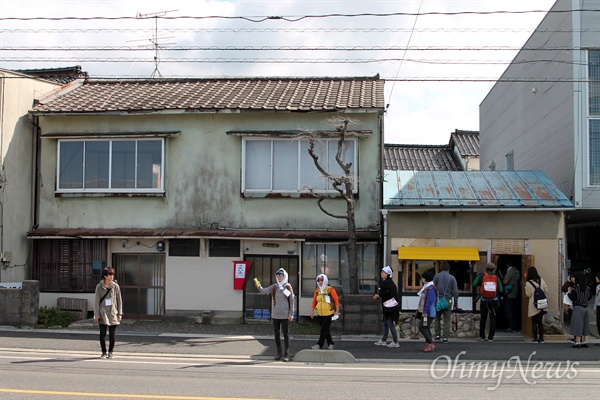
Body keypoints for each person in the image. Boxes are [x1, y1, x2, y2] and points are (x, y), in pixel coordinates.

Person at [254, 268, 295, 361]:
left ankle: (287, 354)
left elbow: (292, 301)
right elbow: (264, 291)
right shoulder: (274, 287)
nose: (279, 277)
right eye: (278, 275)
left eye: (281, 275)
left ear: (285, 276)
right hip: (275, 314)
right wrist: (258, 286)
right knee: (276, 334)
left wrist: (291, 313)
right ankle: (279, 353)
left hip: (285, 314)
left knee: (286, 334)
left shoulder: (288, 286)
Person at [94, 266, 123, 359]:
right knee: (102, 333)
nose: (112, 276)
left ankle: (111, 351)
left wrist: (120, 313)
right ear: (105, 276)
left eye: (113, 274)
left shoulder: (115, 286)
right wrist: (96, 315)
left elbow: (119, 300)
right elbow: (96, 301)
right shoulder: (99, 287)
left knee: (112, 334)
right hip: (103, 312)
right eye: (110, 274)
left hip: (112, 312)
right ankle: (103, 352)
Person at [472, 263, 503, 342]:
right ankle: (491, 337)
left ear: (486, 269)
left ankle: (482, 336)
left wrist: (481, 285)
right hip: (494, 300)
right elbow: (500, 290)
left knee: (483, 318)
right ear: (493, 269)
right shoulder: (496, 277)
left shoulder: (481, 276)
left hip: (484, 300)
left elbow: (474, 284)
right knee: (493, 318)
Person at [309, 274, 340, 350]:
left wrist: (337, 310)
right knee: (326, 329)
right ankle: (331, 343)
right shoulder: (317, 291)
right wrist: (312, 311)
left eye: (322, 280)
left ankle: (319, 344)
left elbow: (336, 300)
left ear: (325, 280)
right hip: (320, 313)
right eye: (318, 280)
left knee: (324, 329)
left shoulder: (330, 290)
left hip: (328, 313)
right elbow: (314, 301)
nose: (320, 282)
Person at [373, 266, 400, 348]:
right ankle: (384, 340)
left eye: (383, 272)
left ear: (387, 274)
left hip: (389, 307)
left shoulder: (386, 283)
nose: (381, 274)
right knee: (385, 323)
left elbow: (382, 293)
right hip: (391, 306)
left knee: (389, 323)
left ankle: (395, 341)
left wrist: (377, 296)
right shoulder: (390, 282)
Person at [433, 261, 459, 343]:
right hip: (448, 300)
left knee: (437, 318)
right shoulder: (452, 278)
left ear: (440, 268)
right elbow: (455, 291)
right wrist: (456, 302)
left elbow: (433, 288)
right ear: (448, 268)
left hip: (438, 300)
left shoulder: (436, 276)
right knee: (447, 319)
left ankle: (437, 335)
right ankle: (445, 337)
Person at [524, 266, 549, 344]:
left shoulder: (528, 283)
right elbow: (546, 290)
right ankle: (541, 338)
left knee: (534, 322)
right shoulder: (541, 280)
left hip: (533, 304)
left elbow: (528, 294)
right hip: (541, 304)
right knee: (540, 322)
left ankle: (535, 338)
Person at [567, 271, 592, 348]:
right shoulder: (587, 288)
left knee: (578, 324)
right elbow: (589, 297)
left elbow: (573, 298)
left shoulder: (575, 288)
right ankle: (586, 341)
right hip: (586, 307)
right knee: (585, 324)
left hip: (578, 307)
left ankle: (578, 342)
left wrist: (568, 293)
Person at [417, 270, 437, 352]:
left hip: (429, 312)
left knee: (422, 327)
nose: (422, 279)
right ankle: (428, 344)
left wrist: (425, 312)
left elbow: (429, 301)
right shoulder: (428, 287)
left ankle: (430, 343)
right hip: (429, 311)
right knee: (426, 327)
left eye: (422, 278)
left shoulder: (430, 288)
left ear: (425, 279)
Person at [502, 262, 520, 333]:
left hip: (509, 293)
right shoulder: (517, 270)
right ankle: (516, 326)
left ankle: (511, 327)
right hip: (516, 293)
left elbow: (505, 281)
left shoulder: (510, 271)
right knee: (514, 311)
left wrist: (502, 281)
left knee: (508, 311)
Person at [595, 272, 600, 346]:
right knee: (598, 323)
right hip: (598, 306)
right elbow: (596, 297)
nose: (596, 278)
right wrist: (595, 307)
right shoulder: (598, 287)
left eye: (597, 277)